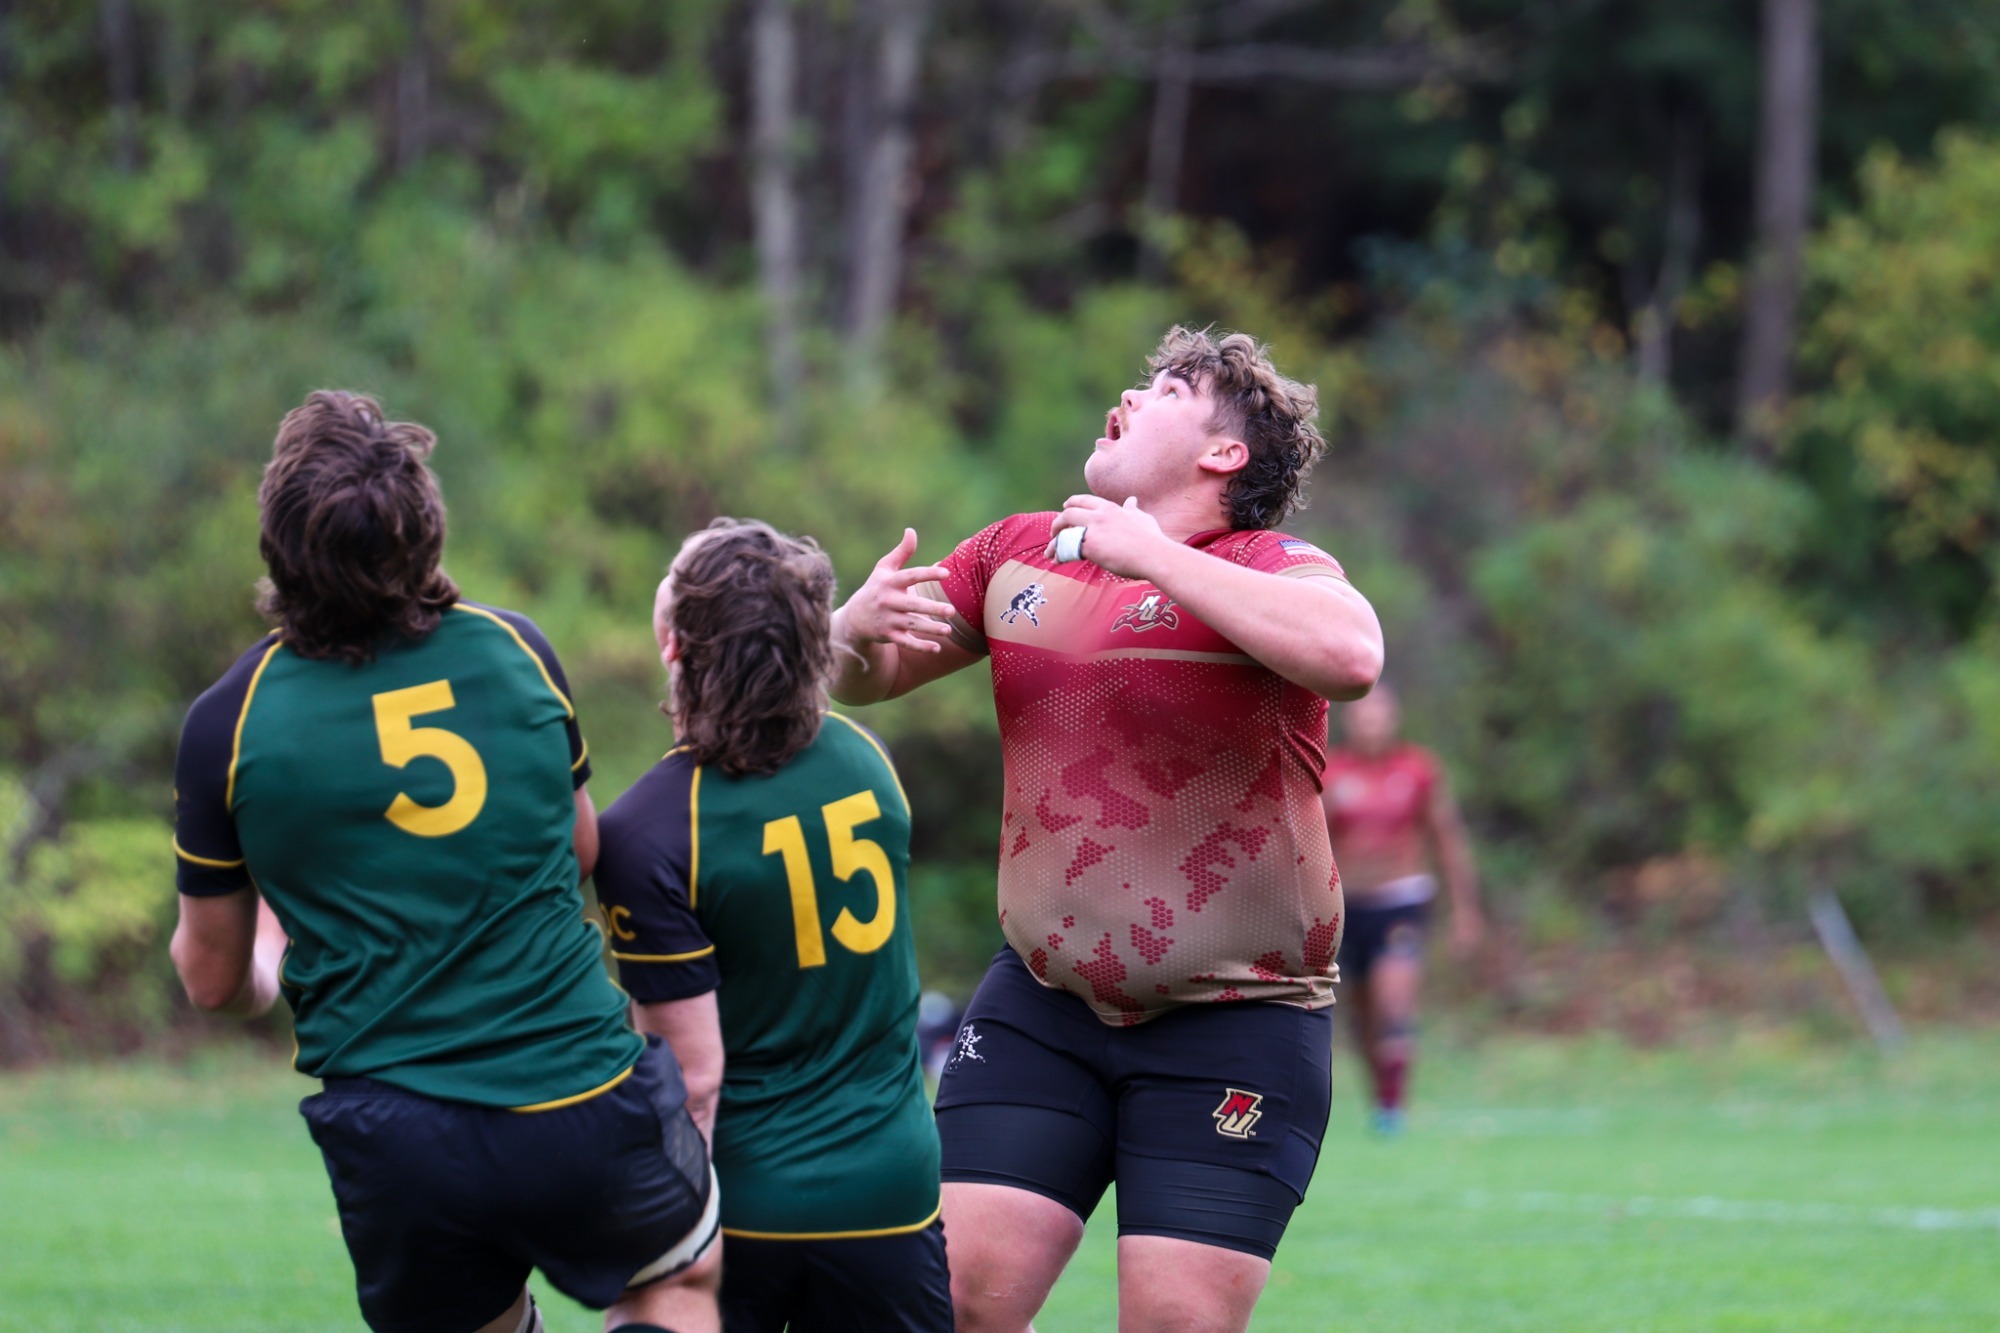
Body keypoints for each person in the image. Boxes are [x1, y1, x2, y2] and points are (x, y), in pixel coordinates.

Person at [827, 326, 1385, 1333]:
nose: (1127, 396)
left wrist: (1153, 555)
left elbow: (1349, 654)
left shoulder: (1270, 563)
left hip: (1237, 1023)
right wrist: (847, 633)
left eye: (1164, 387)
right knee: (948, 1305)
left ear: (1223, 453)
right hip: (1045, 1006)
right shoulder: (1016, 553)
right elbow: (867, 677)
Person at [168, 391, 718, 1333]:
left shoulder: (230, 719)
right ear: (425, 530)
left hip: (400, 1135)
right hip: (574, 1087)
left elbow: (215, 981)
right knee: (674, 1282)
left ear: (281, 544)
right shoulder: (515, 649)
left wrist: (270, 937)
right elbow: (581, 848)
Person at [592, 518, 952, 1333]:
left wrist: (653, 1243)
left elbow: (693, 1081)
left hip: (745, 1208)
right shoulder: (866, 758)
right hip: (892, 1190)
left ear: (674, 643)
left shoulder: (649, 829)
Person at [1321, 682, 1483, 1135]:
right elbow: (1311, 842)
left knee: (1395, 1000)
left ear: (1394, 718)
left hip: (1402, 902)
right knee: (1361, 1013)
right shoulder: (1331, 771)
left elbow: (1448, 840)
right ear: (1351, 721)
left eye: (1379, 714)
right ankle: (1380, 1096)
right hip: (1347, 908)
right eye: (1363, 715)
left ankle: (1393, 1107)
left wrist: (1466, 911)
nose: (1371, 723)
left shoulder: (1417, 769)